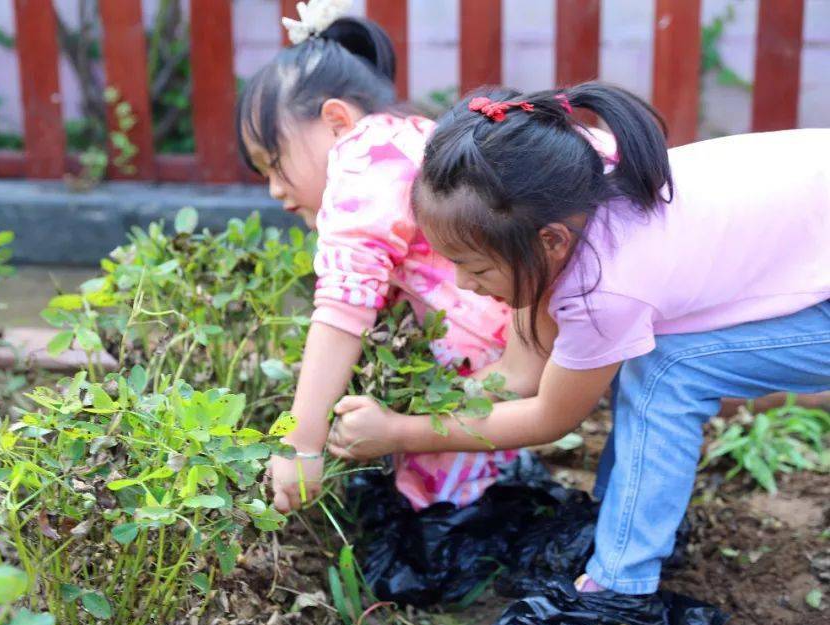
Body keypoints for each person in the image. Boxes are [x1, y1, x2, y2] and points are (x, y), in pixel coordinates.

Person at [327, 82, 830, 595]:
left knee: (667, 372)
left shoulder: (605, 286)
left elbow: (550, 417)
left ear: (550, 241)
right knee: (650, 366)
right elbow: (521, 373)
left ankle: (619, 588)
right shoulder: (568, 181)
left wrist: (400, 433)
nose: (462, 284)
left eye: (474, 266)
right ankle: (619, 527)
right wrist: (418, 403)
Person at [236, 4, 527, 514]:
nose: (274, 189)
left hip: (493, 361)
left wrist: (298, 444)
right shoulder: (409, 136)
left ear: (335, 120)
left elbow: (342, 308)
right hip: (506, 352)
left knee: (439, 512)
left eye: (273, 162)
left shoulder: (366, 152)